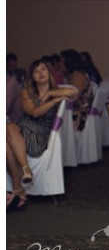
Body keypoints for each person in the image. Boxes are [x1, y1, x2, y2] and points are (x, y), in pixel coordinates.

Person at [6, 60, 77, 210]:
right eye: (36, 71)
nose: (41, 73)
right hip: (24, 129)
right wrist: (52, 100)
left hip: (40, 134)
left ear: (49, 73)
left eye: (43, 69)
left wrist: (51, 94)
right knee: (7, 141)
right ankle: (23, 180)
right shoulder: (26, 92)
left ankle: (18, 188)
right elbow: (34, 112)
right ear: (32, 77)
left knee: (9, 132)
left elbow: (73, 92)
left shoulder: (57, 89)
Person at [60, 49, 94, 132]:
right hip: (76, 112)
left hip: (79, 115)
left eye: (61, 61)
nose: (60, 64)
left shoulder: (78, 76)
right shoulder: (73, 75)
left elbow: (73, 96)